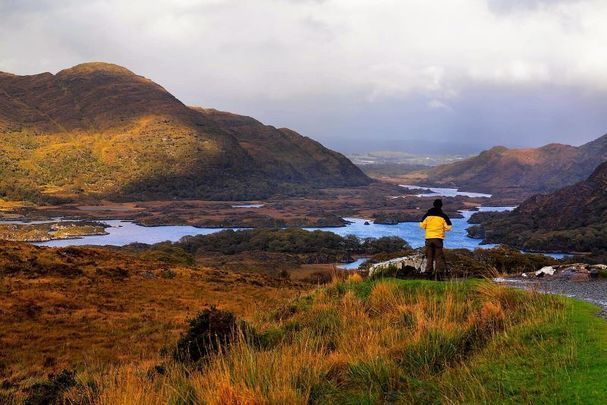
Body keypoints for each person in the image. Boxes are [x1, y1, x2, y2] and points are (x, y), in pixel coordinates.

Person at [420, 199, 452, 279]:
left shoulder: (427, 215)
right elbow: (449, 227)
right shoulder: (443, 216)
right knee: (438, 256)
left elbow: (422, 225)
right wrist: (441, 229)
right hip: (438, 238)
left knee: (429, 256)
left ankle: (428, 272)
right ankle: (439, 273)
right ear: (441, 205)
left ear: (433, 204)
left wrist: (428, 228)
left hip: (429, 238)